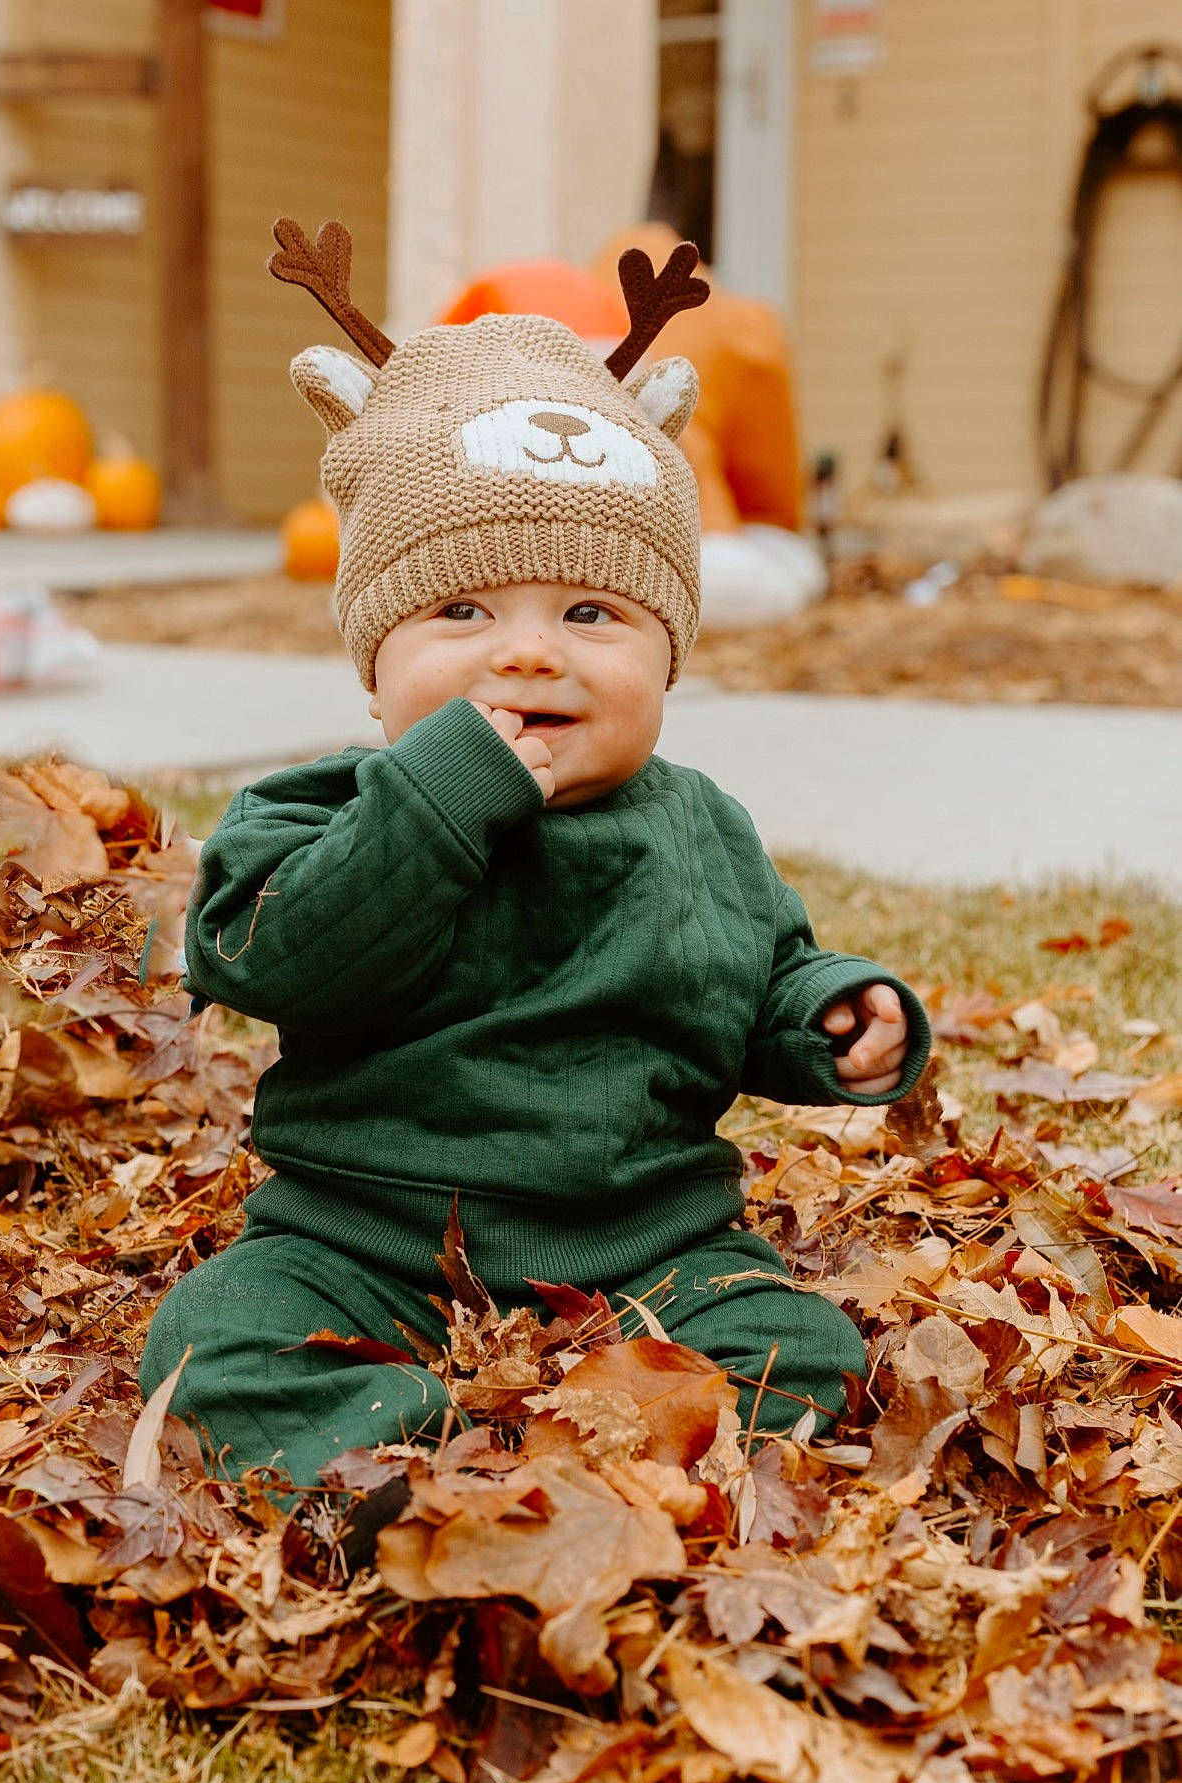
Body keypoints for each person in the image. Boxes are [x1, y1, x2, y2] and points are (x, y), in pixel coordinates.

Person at [138, 223, 931, 1487]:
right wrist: (440, 799)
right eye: (462, 611)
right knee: (211, 1344)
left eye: (589, 612)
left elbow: (753, 979)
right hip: (361, 1231)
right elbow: (271, 956)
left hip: (646, 1240)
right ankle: (388, 1464)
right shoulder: (316, 810)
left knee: (803, 1351)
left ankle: (616, 1465)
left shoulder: (698, 826)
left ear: (665, 658)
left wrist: (833, 1013)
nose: (527, 652)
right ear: (376, 662)